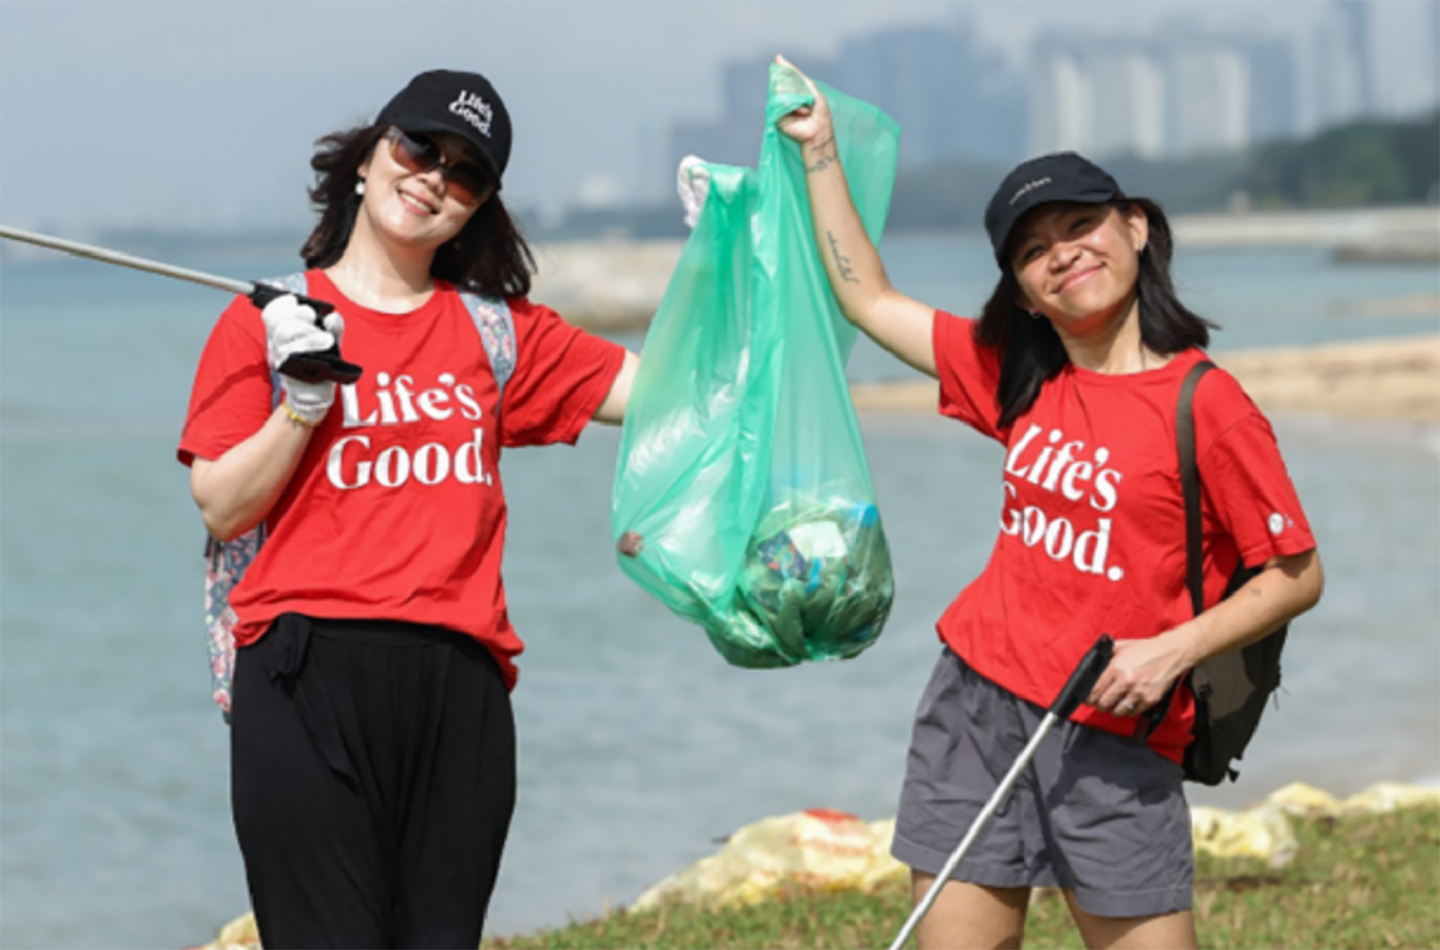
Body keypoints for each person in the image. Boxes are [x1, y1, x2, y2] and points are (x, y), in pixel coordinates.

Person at [775, 57, 1324, 950]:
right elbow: (867, 298)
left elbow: (1296, 573)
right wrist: (821, 151)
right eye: (1033, 250)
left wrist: (1171, 651)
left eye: (1081, 225)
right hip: (975, 712)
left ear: (1137, 228)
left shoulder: (1207, 405)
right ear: (1022, 289)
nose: (1063, 253)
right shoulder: (1018, 377)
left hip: (1119, 732)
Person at [177, 69, 638, 950]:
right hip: (304, 672)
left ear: (476, 209)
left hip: (459, 691)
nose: (433, 177)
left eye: (466, 174)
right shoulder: (266, 322)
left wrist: (737, 256)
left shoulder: (499, 333)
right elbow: (222, 507)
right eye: (419, 147)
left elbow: (667, 393)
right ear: (368, 157)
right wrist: (301, 401)